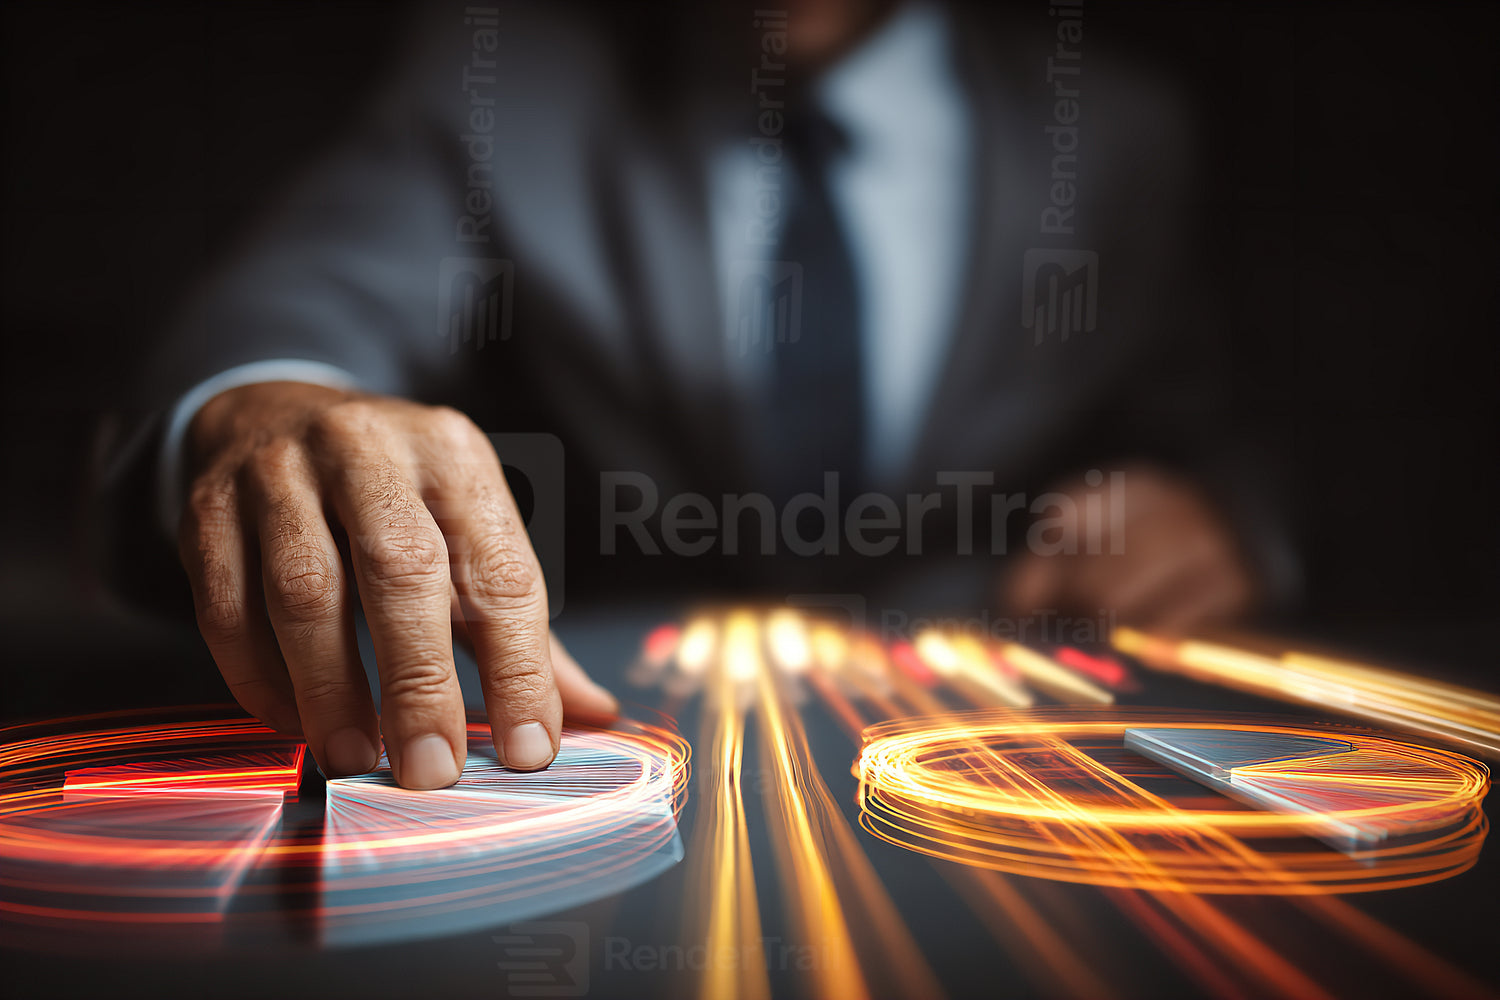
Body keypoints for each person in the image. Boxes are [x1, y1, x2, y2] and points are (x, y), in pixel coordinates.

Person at [97, 0, 1289, 788]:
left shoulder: (1119, 124)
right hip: (608, 764)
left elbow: (1202, 427)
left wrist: (1219, 519)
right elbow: (303, 306)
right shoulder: (504, 77)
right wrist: (261, 408)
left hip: (1003, 759)